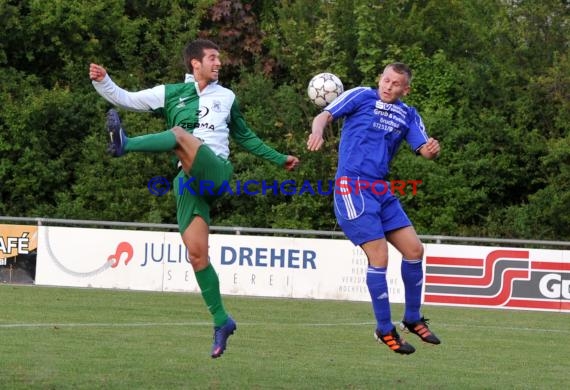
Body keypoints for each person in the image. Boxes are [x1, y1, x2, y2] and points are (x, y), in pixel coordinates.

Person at [89, 39, 300, 358]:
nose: (219, 63)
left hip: (215, 172)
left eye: (219, 57)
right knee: (197, 255)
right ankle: (222, 320)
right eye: (213, 58)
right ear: (195, 64)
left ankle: (125, 144)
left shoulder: (227, 97)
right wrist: (104, 81)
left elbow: (244, 136)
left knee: (178, 136)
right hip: (187, 182)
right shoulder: (171, 92)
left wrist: (277, 157)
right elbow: (126, 99)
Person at [307, 62, 441, 355]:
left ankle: (412, 317)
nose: (388, 86)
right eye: (386, 80)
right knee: (379, 256)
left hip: (380, 190)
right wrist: (317, 131)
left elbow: (423, 149)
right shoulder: (361, 96)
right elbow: (325, 115)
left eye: (395, 84)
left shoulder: (408, 114)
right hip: (352, 186)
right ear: (380, 78)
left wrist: (431, 151)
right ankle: (383, 328)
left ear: (406, 89)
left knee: (415, 251)